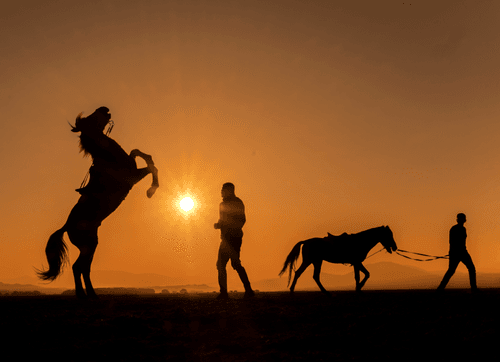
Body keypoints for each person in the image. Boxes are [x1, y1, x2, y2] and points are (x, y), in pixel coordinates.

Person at [214, 182, 254, 299]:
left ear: (230, 190)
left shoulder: (237, 203)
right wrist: (219, 225)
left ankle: (247, 290)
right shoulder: (222, 204)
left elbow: (242, 220)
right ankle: (224, 292)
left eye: (223, 189)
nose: (221, 191)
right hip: (225, 239)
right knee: (222, 265)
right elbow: (222, 220)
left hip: (234, 238)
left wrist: (229, 228)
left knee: (234, 264)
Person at [437, 213, 478, 292]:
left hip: (462, 252)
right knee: (452, 271)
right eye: (460, 218)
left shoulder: (463, 229)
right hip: (456, 253)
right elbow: (451, 242)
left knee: (471, 269)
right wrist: (454, 251)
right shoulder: (454, 229)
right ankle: (440, 289)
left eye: (462, 218)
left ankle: (474, 288)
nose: (461, 220)